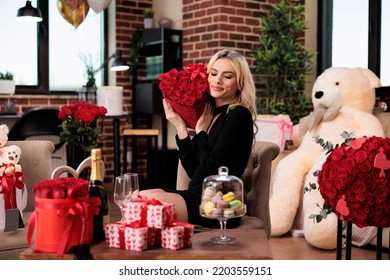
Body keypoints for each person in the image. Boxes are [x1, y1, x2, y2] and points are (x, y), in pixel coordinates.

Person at [141, 49, 257, 228]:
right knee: (137, 196)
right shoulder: (210, 114)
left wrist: (201, 133)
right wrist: (181, 128)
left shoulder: (239, 115)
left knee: (149, 202)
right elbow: (194, 170)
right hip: (198, 196)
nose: (217, 80)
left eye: (227, 76)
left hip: (218, 205)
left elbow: (214, 169)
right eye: (213, 73)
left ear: (240, 83)